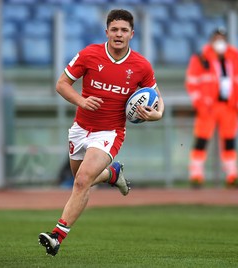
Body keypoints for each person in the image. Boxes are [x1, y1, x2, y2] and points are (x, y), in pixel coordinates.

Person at [39, 9, 164, 256]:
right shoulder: (89, 54)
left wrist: (156, 115)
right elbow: (62, 84)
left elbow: (158, 100)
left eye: (124, 30)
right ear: (106, 31)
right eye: (114, 29)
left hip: (110, 132)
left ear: (132, 34)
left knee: (82, 180)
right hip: (80, 129)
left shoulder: (140, 65)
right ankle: (112, 175)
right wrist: (81, 101)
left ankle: (57, 236)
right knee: (81, 181)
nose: (119, 34)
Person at [185, 27, 238, 188]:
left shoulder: (234, 58)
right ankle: (196, 176)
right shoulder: (201, 58)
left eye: (222, 38)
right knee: (201, 141)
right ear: (212, 40)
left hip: (229, 107)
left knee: (229, 143)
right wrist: (200, 103)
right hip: (208, 108)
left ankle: (232, 176)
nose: (220, 41)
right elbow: (192, 83)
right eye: (217, 38)